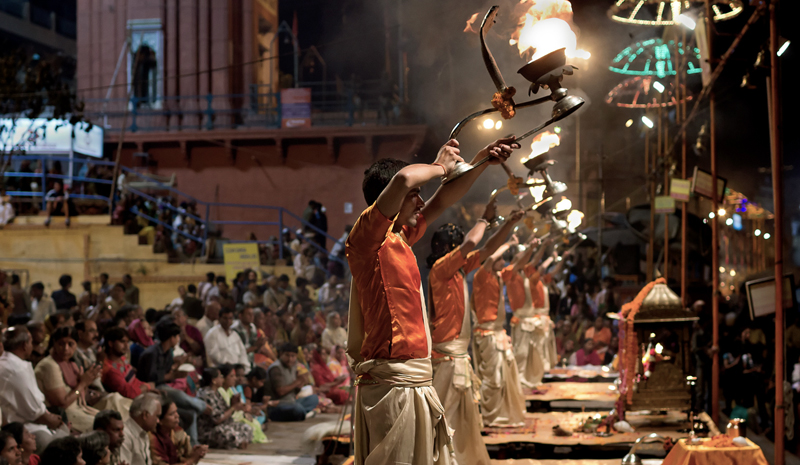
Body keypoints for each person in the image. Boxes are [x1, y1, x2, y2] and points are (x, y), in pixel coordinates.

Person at [345, 137, 515, 464]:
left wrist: (480, 160)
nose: (421, 202)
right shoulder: (365, 238)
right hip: (392, 386)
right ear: (389, 200)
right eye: (413, 198)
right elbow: (404, 179)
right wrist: (440, 166)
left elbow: (443, 198)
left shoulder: (401, 237)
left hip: (416, 380)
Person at [426, 200, 517, 465]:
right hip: (445, 357)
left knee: (464, 418)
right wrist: (485, 220)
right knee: (446, 418)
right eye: (455, 248)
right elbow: (470, 245)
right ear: (445, 250)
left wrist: (509, 224)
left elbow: (486, 248)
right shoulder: (440, 269)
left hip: (458, 357)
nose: (461, 252)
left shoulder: (459, 269)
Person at [471, 235, 527, 427]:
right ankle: (491, 417)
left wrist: (532, 247)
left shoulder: (498, 276)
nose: (503, 262)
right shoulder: (481, 276)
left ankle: (500, 415)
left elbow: (520, 264)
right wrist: (508, 243)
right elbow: (491, 259)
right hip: (487, 334)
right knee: (493, 378)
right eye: (500, 259)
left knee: (504, 376)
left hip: (498, 333)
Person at [34, 327, 131, 433]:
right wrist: (83, 383)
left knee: (120, 407)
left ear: (76, 345)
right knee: (109, 428)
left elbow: (79, 393)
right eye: (61, 344)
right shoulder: (49, 365)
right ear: (54, 344)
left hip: (80, 409)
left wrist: (85, 385)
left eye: (70, 344)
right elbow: (62, 403)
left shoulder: (71, 364)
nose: (66, 348)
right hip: (66, 415)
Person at [136, 323, 208, 445]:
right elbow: (151, 378)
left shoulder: (168, 352)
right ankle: (204, 406)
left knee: (191, 411)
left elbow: (168, 374)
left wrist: (178, 366)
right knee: (178, 394)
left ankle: (193, 444)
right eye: (177, 336)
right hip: (150, 389)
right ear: (172, 338)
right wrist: (173, 375)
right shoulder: (151, 353)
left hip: (163, 386)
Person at [0, 326, 69, 451]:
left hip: (34, 421)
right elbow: (35, 413)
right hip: (26, 428)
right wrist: (52, 420)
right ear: (25, 345)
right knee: (66, 444)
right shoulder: (15, 369)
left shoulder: (11, 363)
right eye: (31, 342)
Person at [196, 368, 252, 449]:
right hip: (209, 429)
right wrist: (233, 408)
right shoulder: (206, 394)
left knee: (246, 428)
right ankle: (238, 443)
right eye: (221, 377)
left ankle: (240, 442)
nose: (223, 379)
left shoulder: (217, 392)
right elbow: (217, 419)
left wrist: (233, 404)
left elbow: (225, 412)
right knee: (226, 433)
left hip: (222, 424)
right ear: (214, 380)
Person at [265, 344, 319, 421]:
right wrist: (297, 382)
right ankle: (304, 414)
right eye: (287, 355)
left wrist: (299, 386)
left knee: (314, 398)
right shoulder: (276, 368)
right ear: (281, 354)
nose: (290, 359)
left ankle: (302, 414)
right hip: (277, 405)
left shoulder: (294, 365)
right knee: (297, 408)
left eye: (293, 356)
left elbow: (294, 391)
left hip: (291, 402)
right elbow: (280, 391)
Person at [215, 365, 267, 443]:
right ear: (224, 378)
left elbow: (241, 405)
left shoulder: (231, 390)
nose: (235, 379)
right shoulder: (220, 391)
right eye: (232, 376)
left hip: (234, 416)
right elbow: (228, 410)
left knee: (255, 423)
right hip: (226, 419)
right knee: (247, 427)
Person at [101, 328, 156, 399]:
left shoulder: (122, 359)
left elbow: (134, 381)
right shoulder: (110, 369)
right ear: (110, 343)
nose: (126, 345)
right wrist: (147, 386)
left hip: (140, 393)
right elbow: (130, 394)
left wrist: (148, 388)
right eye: (122, 341)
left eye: (127, 342)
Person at [149, 401, 208, 465]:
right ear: (160, 420)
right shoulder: (153, 438)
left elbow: (183, 458)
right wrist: (191, 460)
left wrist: (195, 454)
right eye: (171, 414)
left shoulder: (177, 432)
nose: (177, 416)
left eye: (176, 411)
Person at [121, 394, 161, 465]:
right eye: (157, 416)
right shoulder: (124, 434)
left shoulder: (144, 432)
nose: (158, 421)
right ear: (145, 415)